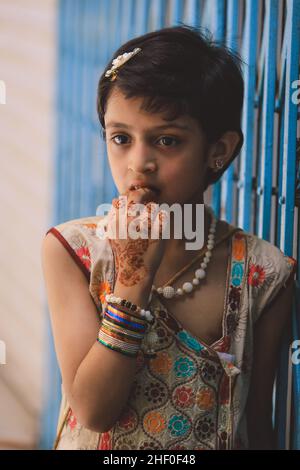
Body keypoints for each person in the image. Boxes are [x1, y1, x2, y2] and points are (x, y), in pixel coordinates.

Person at [41, 25, 297, 450]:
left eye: (166, 140)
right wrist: (134, 278)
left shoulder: (263, 273)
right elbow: (93, 410)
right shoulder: (75, 252)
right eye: (120, 138)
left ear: (219, 149)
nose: (138, 164)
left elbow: (255, 423)